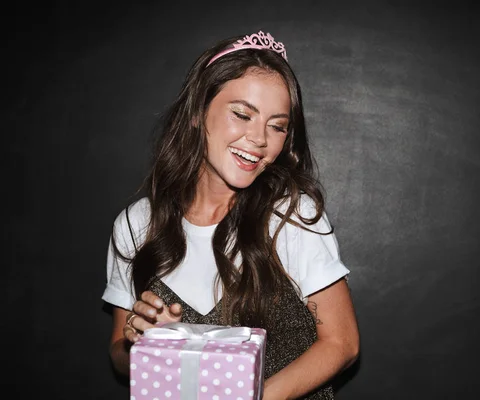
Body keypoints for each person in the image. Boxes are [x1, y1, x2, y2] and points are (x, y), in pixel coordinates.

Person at [102, 30, 360, 400]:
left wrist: (256, 396)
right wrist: (147, 345)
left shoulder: (291, 215)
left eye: (277, 126)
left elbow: (342, 343)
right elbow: (117, 353)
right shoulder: (135, 225)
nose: (259, 139)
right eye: (242, 114)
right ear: (196, 112)